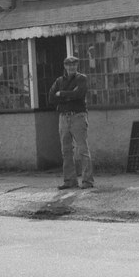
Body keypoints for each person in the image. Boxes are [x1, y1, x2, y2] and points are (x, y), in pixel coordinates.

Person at [48, 55, 94, 189]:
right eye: (69, 65)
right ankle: (69, 181)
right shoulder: (59, 80)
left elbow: (79, 94)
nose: (71, 67)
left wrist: (61, 94)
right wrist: (69, 94)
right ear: (65, 66)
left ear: (77, 66)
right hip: (63, 117)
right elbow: (51, 98)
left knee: (83, 149)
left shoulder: (81, 78)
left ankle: (87, 181)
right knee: (66, 150)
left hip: (78, 116)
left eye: (74, 64)